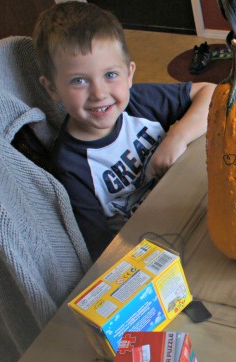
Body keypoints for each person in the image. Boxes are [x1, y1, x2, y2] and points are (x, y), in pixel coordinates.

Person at [33, 1, 216, 260]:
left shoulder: (138, 101)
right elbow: (98, 249)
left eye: (110, 75)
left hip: (192, 200)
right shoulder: (70, 165)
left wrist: (176, 138)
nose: (99, 93)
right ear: (52, 89)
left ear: (129, 73)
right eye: (79, 80)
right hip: (151, 249)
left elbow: (211, 93)